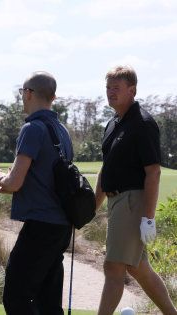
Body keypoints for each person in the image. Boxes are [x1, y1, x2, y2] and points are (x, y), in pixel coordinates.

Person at [0, 71, 73, 315]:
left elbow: (15, 182)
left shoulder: (32, 128)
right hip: (61, 226)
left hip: (41, 226)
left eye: (23, 92)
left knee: (16, 296)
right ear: (53, 97)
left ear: (29, 93)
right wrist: (7, 183)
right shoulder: (61, 130)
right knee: (48, 301)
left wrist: (1, 179)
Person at [96, 66, 176, 315]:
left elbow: (153, 171)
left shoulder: (142, 123)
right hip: (117, 202)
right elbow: (106, 169)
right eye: (108, 88)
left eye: (116, 88)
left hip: (132, 201)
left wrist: (148, 218)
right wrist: (92, 206)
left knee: (113, 267)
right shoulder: (112, 124)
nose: (110, 93)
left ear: (132, 90)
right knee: (138, 267)